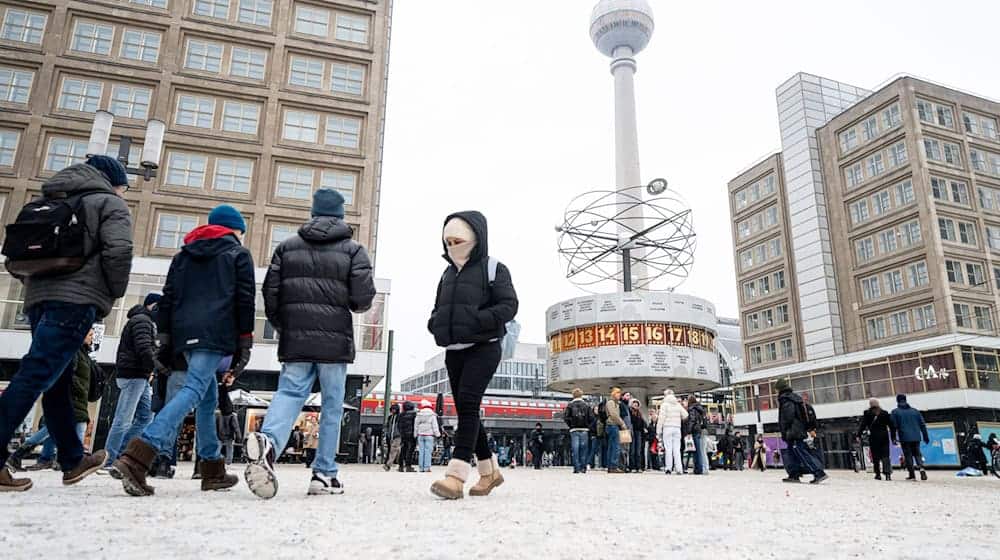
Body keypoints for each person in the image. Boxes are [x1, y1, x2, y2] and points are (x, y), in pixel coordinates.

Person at [0, 155, 133, 492]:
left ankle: (73, 460)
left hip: (38, 298)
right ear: (110, 181)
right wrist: (111, 293)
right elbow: (119, 251)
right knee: (37, 373)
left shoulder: (48, 200)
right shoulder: (109, 204)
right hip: (76, 299)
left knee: (55, 378)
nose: (124, 193)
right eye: (123, 187)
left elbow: (17, 254)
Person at [113, 204, 254, 497]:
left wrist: (164, 337)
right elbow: (244, 299)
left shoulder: (183, 255)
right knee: (194, 389)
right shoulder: (238, 254)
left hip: (183, 334)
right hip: (215, 332)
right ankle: (138, 455)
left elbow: (169, 297)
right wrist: (245, 340)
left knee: (207, 396)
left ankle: (212, 467)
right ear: (235, 229)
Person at [242, 189, 374, 497]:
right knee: (331, 408)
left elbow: (270, 295)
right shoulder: (354, 250)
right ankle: (323, 474)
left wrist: (285, 326)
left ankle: (270, 442)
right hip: (334, 342)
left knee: (289, 393)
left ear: (312, 214)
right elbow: (362, 300)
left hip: (296, 338)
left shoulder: (287, 247)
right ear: (341, 216)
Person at [427, 211, 518, 499]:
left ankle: (456, 477)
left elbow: (509, 305)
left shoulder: (494, 268)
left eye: (458, 240)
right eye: (448, 241)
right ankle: (490, 473)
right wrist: (435, 323)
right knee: (468, 408)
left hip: (485, 346)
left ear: (475, 238)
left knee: (467, 403)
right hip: (454, 350)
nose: (453, 245)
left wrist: (477, 321)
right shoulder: (447, 273)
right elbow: (437, 307)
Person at [7, 329, 97, 472]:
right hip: (71, 397)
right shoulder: (74, 352)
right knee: (58, 427)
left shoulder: (83, 353)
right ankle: (73, 461)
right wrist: (79, 390)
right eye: (90, 335)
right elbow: (69, 376)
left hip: (78, 398)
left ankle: (48, 458)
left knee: (55, 428)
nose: (92, 338)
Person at [105, 293, 163, 469]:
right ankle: (108, 459)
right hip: (134, 374)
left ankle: (123, 453)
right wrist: (157, 367)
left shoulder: (145, 321)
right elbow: (144, 348)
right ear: (152, 305)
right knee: (123, 419)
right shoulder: (142, 321)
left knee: (146, 416)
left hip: (141, 375)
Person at [775, 378, 828, 484]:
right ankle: (794, 475)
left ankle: (818, 472)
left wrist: (785, 430)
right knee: (792, 453)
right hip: (797, 430)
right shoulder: (795, 398)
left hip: (793, 431)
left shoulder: (786, 399)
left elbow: (788, 417)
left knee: (801, 452)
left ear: (779, 388)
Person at [891, 394, 929, 481]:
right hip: (916, 436)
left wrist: (893, 438)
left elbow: (893, 426)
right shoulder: (915, 411)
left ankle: (912, 474)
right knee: (917, 453)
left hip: (904, 437)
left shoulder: (895, 412)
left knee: (908, 455)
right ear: (905, 400)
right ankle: (921, 468)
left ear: (897, 401)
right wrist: (925, 436)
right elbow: (922, 425)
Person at [857, 398, 895, 480]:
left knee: (875, 456)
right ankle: (887, 474)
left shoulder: (867, 413)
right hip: (884, 437)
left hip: (873, 437)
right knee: (885, 455)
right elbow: (891, 426)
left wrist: (858, 435)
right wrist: (893, 437)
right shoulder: (884, 413)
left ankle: (878, 474)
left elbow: (863, 425)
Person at [656, 389, 688, 475]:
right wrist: (678, 419)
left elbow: (661, 418)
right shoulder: (677, 404)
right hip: (677, 428)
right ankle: (679, 469)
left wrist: (658, 430)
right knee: (677, 449)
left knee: (668, 449)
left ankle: (668, 468)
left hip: (667, 428)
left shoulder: (664, 404)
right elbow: (685, 415)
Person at [563, 388, 594, 474]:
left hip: (574, 430)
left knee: (575, 449)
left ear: (573, 395)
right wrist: (588, 426)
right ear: (581, 395)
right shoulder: (586, 405)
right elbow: (592, 418)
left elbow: (566, 417)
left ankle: (576, 468)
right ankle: (583, 467)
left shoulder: (570, 405)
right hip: (584, 430)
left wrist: (571, 425)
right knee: (584, 449)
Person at [604, 387, 627, 474]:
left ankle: (611, 466)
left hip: (613, 426)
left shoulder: (616, 403)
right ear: (613, 394)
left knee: (612, 446)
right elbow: (614, 415)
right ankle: (613, 466)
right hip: (613, 425)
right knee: (615, 446)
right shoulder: (611, 403)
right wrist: (622, 423)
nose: (619, 395)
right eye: (617, 393)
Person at [415, 399, 441, 472]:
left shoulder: (419, 414)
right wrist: (438, 434)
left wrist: (415, 434)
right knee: (428, 452)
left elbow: (416, 425)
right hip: (429, 435)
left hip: (420, 435)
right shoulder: (432, 415)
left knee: (421, 451)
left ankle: (421, 468)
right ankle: (427, 468)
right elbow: (435, 426)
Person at [686, 396, 709, 475]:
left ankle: (698, 469)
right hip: (699, 430)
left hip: (694, 430)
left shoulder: (692, 409)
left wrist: (689, 431)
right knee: (699, 450)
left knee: (696, 451)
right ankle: (700, 469)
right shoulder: (700, 409)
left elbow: (692, 420)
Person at [398, 401, 417, 473]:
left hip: (403, 435)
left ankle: (401, 466)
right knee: (410, 450)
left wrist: (401, 433)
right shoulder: (414, 414)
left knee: (403, 449)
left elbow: (399, 425)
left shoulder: (401, 415)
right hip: (411, 434)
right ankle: (408, 466)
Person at [628, 399, 646, 473]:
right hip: (632, 432)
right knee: (632, 450)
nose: (635, 405)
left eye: (637, 404)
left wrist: (644, 428)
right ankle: (632, 467)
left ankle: (638, 467)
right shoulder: (629, 413)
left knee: (638, 450)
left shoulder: (640, 413)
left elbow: (642, 423)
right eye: (634, 404)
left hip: (638, 433)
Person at [382, 403, 402, 471]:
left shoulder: (399, 417)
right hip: (390, 436)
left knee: (393, 450)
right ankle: (401, 463)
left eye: (394, 409)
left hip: (397, 436)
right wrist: (386, 433)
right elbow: (387, 426)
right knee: (396, 450)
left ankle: (388, 465)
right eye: (392, 409)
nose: (393, 410)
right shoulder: (390, 417)